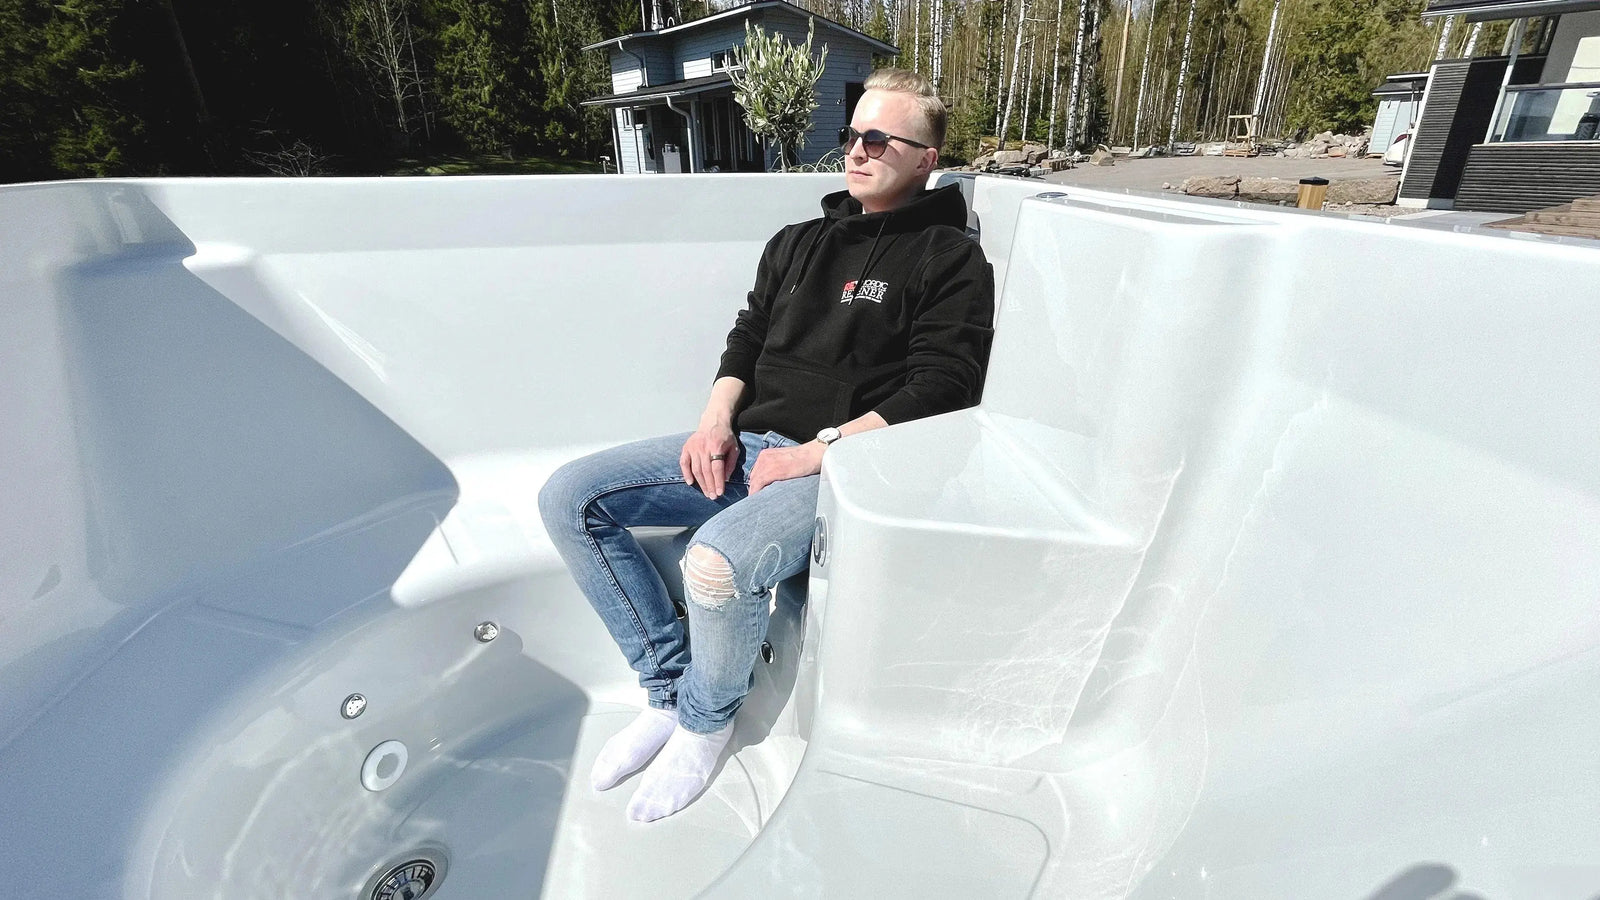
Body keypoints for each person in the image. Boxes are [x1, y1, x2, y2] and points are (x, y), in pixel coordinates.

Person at [537, 68, 996, 823]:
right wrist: (716, 420)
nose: (857, 149)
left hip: (845, 464)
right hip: (750, 442)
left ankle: (703, 723)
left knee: (714, 564)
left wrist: (815, 451)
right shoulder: (798, 242)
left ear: (925, 158)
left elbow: (944, 385)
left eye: (880, 139)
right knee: (570, 498)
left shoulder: (946, 258)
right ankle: (665, 687)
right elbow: (747, 338)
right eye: (852, 135)